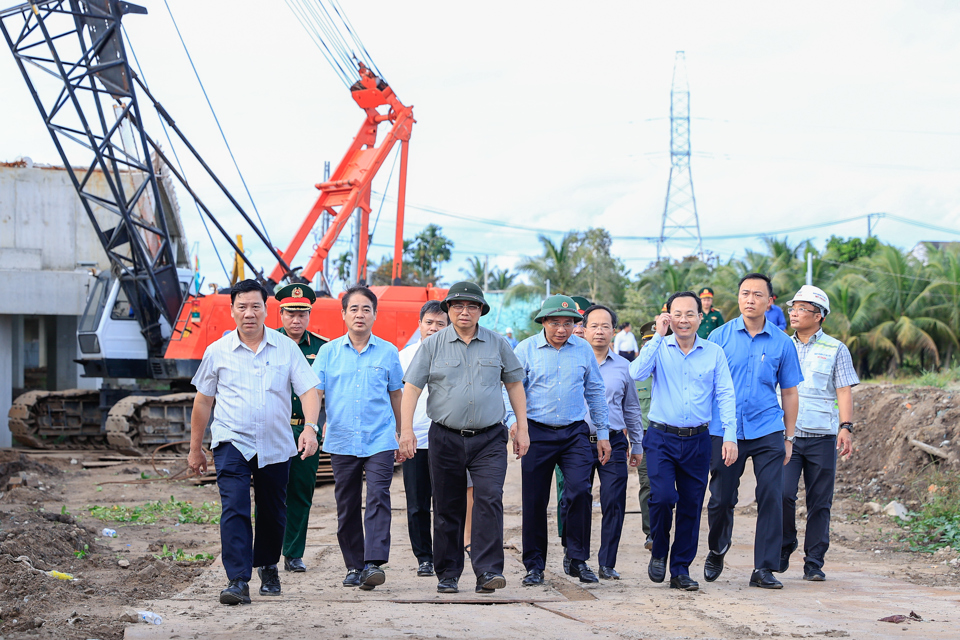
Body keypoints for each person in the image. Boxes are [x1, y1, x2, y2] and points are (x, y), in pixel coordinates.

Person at [187, 279, 320, 605]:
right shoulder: (217, 351)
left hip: (276, 442)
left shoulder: (285, 347)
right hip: (232, 441)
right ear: (232, 311)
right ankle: (237, 579)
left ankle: (268, 566)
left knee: (273, 511)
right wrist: (195, 448)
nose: (249, 313)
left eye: (255, 306)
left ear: (265, 309)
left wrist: (310, 428)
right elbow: (203, 401)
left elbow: (308, 391)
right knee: (234, 507)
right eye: (242, 307)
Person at [400, 281, 529, 595]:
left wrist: (522, 427)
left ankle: (487, 571)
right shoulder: (432, 346)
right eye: (457, 305)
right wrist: (405, 431)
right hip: (445, 438)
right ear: (448, 309)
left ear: (481, 311)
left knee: (489, 499)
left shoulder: (498, 343)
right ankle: (448, 573)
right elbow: (412, 389)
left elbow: (514, 385)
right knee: (448, 506)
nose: (464, 311)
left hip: (489, 439)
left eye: (472, 306)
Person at [629, 292, 737, 591]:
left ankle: (680, 569)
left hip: (698, 440)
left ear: (700, 318)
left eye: (690, 314)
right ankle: (659, 552)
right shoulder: (658, 347)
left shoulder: (714, 353)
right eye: (677, 314)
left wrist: (729, 435)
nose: (684, 320)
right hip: (661, 437)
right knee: (663, 497)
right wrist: (657, 336)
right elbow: (636, 373)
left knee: (691, 505)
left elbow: (726, 394)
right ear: (667, 316)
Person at [704, 273, 802, 590]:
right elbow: (706, 386)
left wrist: (788, 437)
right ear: (737, 298)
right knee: (720, 498)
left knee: (771, 496)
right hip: (724, 430)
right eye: (745, 293)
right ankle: (717, 548)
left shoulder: (782, 343)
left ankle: (764, 568)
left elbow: (789, 392)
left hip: (768, 428)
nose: (750, 299)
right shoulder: (718, 338)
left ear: (769, 301)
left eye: (758, 294)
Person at [505, 294, 610, 586]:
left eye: (568, 323)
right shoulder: (525, 349)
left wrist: (602, 434)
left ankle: (577, 559)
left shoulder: (584, 350)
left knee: (579, 491)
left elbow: (596, 393)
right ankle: (534, 565)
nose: (561, 329)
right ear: (543, 322)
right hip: (535, 432)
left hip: (574, 433)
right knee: (535, 500)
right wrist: (515, 424)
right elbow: (509, 390)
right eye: (555, 323)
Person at [313, 285, 404, 591]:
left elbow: (396, 394)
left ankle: (373, 563)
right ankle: (354, 565)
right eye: (354, 309)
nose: (360, 314)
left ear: (375, 315)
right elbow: (316, 392)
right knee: (347, 503)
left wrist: (403, 433)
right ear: (343, 314)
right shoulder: (328, 352)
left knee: (379, 496)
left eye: (366, 309)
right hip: (341, 439)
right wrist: (312, 426)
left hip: (379, 438)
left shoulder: (389, 352)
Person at [780, 285, 858, 581]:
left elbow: (844, 390)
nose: (795, 313)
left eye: (802, 309)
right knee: (783, 494)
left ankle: (814, 561)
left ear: (820, 316)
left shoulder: (836, 349)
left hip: (822, 436)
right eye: (793, 308)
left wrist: (846, 427)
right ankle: (786, 542)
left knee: (820, 502)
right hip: (788, 436)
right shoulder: (782, 346)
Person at [561, 303, 644, 581]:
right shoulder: (571, 361)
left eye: (605, 326)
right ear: (582, 329)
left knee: (614, 501)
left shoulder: (624, 367)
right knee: (576, 497)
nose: (599, 331)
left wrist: (638, 443)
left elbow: (631, 408)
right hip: (577, 441)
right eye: (594, 325)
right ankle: (575, 555)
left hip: (615, 442)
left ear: (614, 331)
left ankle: (607, 563)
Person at [274, 283, 327, 574]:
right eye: (291, 313)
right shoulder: (268, 343)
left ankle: (293, 553)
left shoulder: (322, 348)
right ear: (280, 313)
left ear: (309, 315)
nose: (296, 320)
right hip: (273, 430)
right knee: (271, 493)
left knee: (300, 493)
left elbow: (330, 391)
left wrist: (322, 426)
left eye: (302, 314)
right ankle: (268, 550)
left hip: (305, 430)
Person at [398, 300, 450, 578]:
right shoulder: (404, 357)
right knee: (417, 504)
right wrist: (400, 433)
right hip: (415, 440)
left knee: (445, 502)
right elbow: (394, 398)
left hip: (448, 440)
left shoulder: (455, 355)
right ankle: (424, 558)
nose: (433, 328)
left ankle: (444, 554)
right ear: (419, 325)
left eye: (440, 324)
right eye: (429, 323)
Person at [634, 320, 658, 550]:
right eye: (647, 344)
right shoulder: (634, 373)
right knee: (648, 484)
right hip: (644, 437)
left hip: (673, 436)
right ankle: (652, 533)